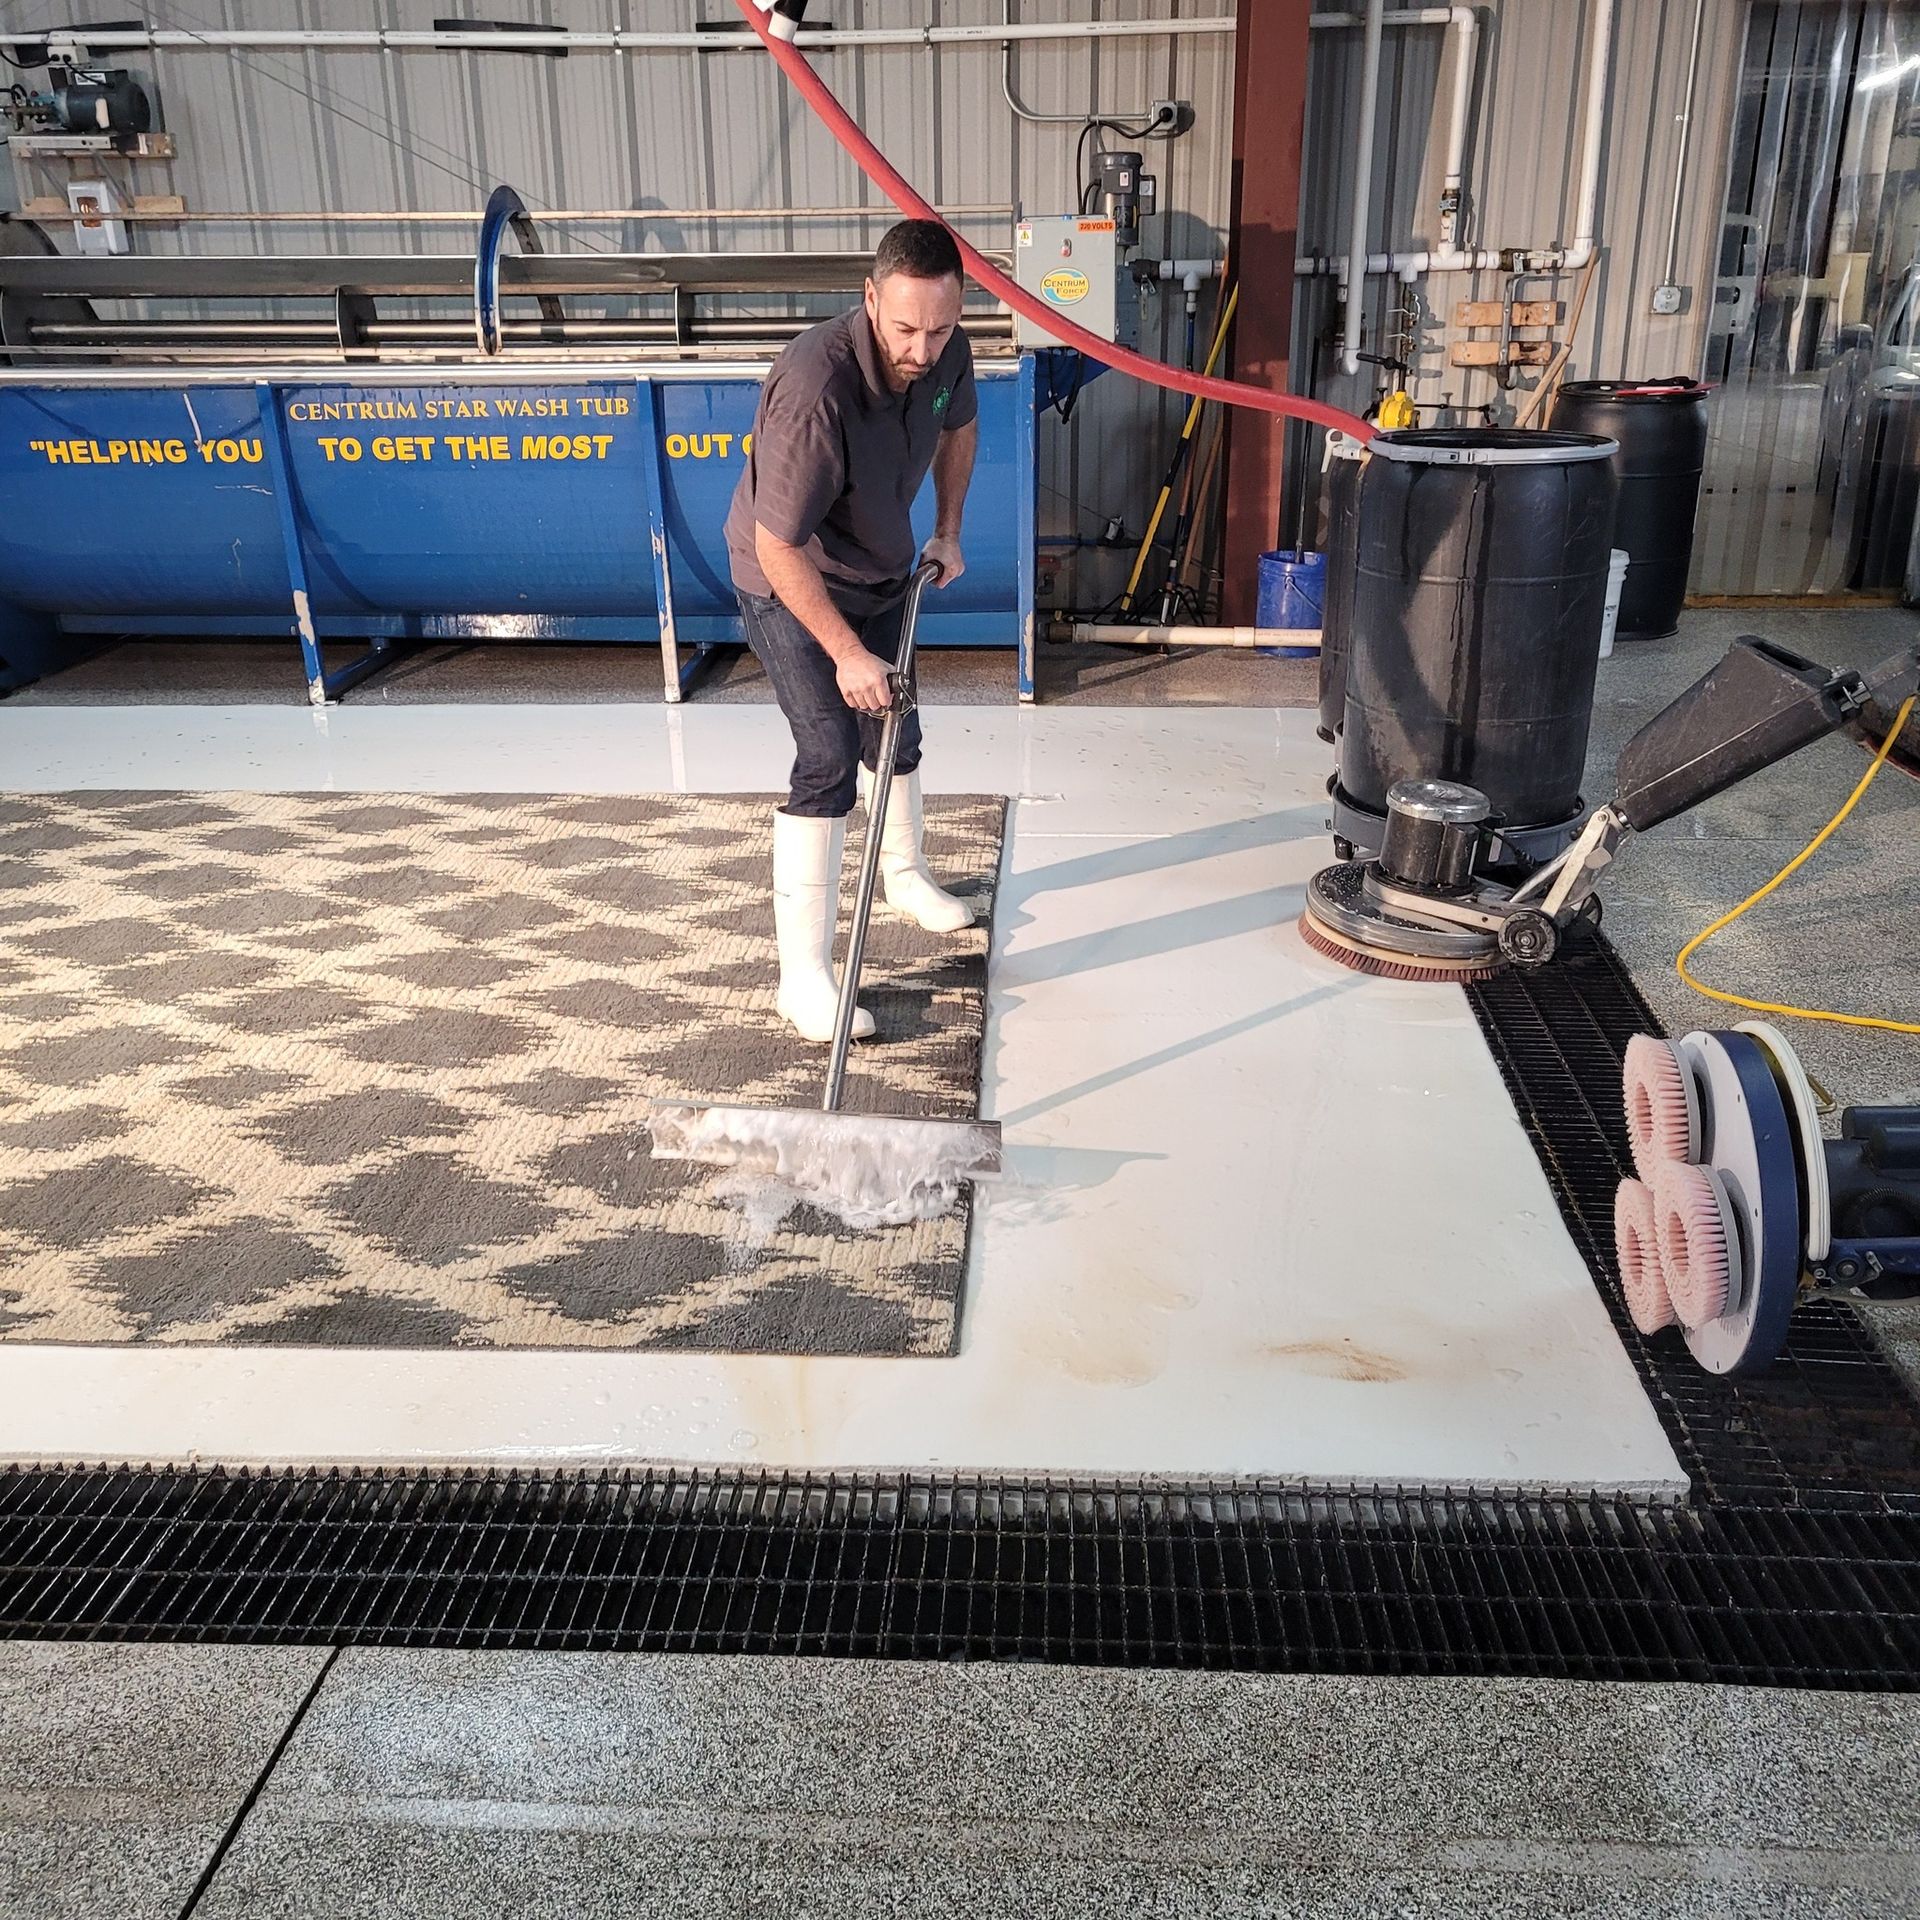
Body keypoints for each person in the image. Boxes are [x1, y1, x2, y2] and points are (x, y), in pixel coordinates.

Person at [725, 218, 980, 1044]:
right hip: (787, 579)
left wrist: (947, 528)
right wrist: (844, 651)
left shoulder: (946, 349)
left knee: (895, 728)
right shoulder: (816, 386)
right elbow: (777, 541)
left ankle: (902, 875)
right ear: (870, 299)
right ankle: (802, 980)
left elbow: (959, 426)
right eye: (904, 327)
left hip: (878, 563)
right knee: (832, 752)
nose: (921, 347)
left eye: (938, 328)